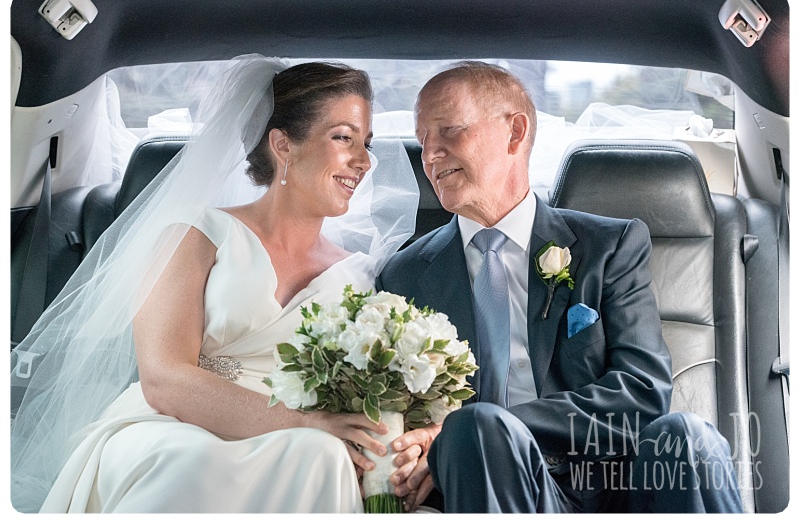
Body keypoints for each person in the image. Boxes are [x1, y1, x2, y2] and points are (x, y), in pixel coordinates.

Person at [10, 56, 419, 513]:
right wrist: (306, 421)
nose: (363, 161)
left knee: (322, 456)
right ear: (283, 145)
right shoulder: (194, 235)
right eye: (343, 138)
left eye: (366, 143)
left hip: (305, 443)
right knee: (191, 460)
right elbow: (164, 378)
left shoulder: (360, 276)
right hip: (174, 425)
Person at [377, 61, 744, 513]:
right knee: (476, 427)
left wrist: (509, 422)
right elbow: (397, 413)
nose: (429, 154)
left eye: (448, 130)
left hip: (616, 484)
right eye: (424, 139)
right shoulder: (403, 275)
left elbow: (643, 392)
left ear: (514, 132)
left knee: (685, 436)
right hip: (490, 483)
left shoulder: (609, 246)